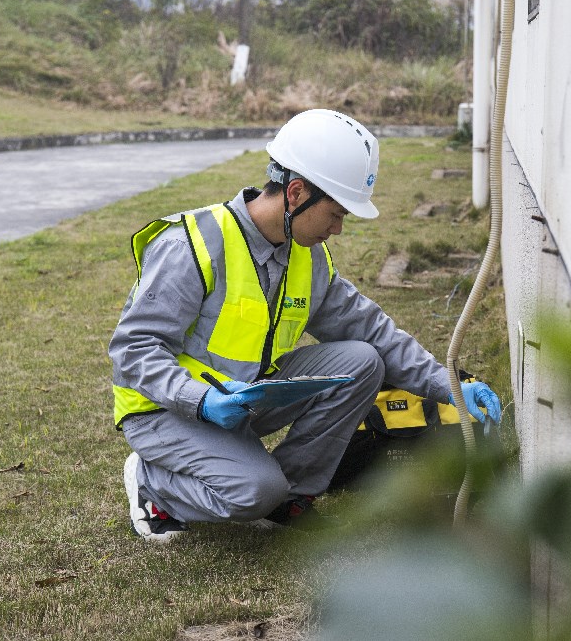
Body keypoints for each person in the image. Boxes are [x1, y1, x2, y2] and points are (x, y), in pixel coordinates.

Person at [110, 109, 501, 543]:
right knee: (253, 491)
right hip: (165, 409)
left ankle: (289, 497)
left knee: (363, 360)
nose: (336, 229)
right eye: (335, 214)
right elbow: (133, 351)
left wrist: (445, 384)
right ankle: (153, 484)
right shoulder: (193, 244)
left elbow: (370, 329)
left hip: (241, 399)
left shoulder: (306, 257)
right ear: (296, 193)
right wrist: (201, 400)